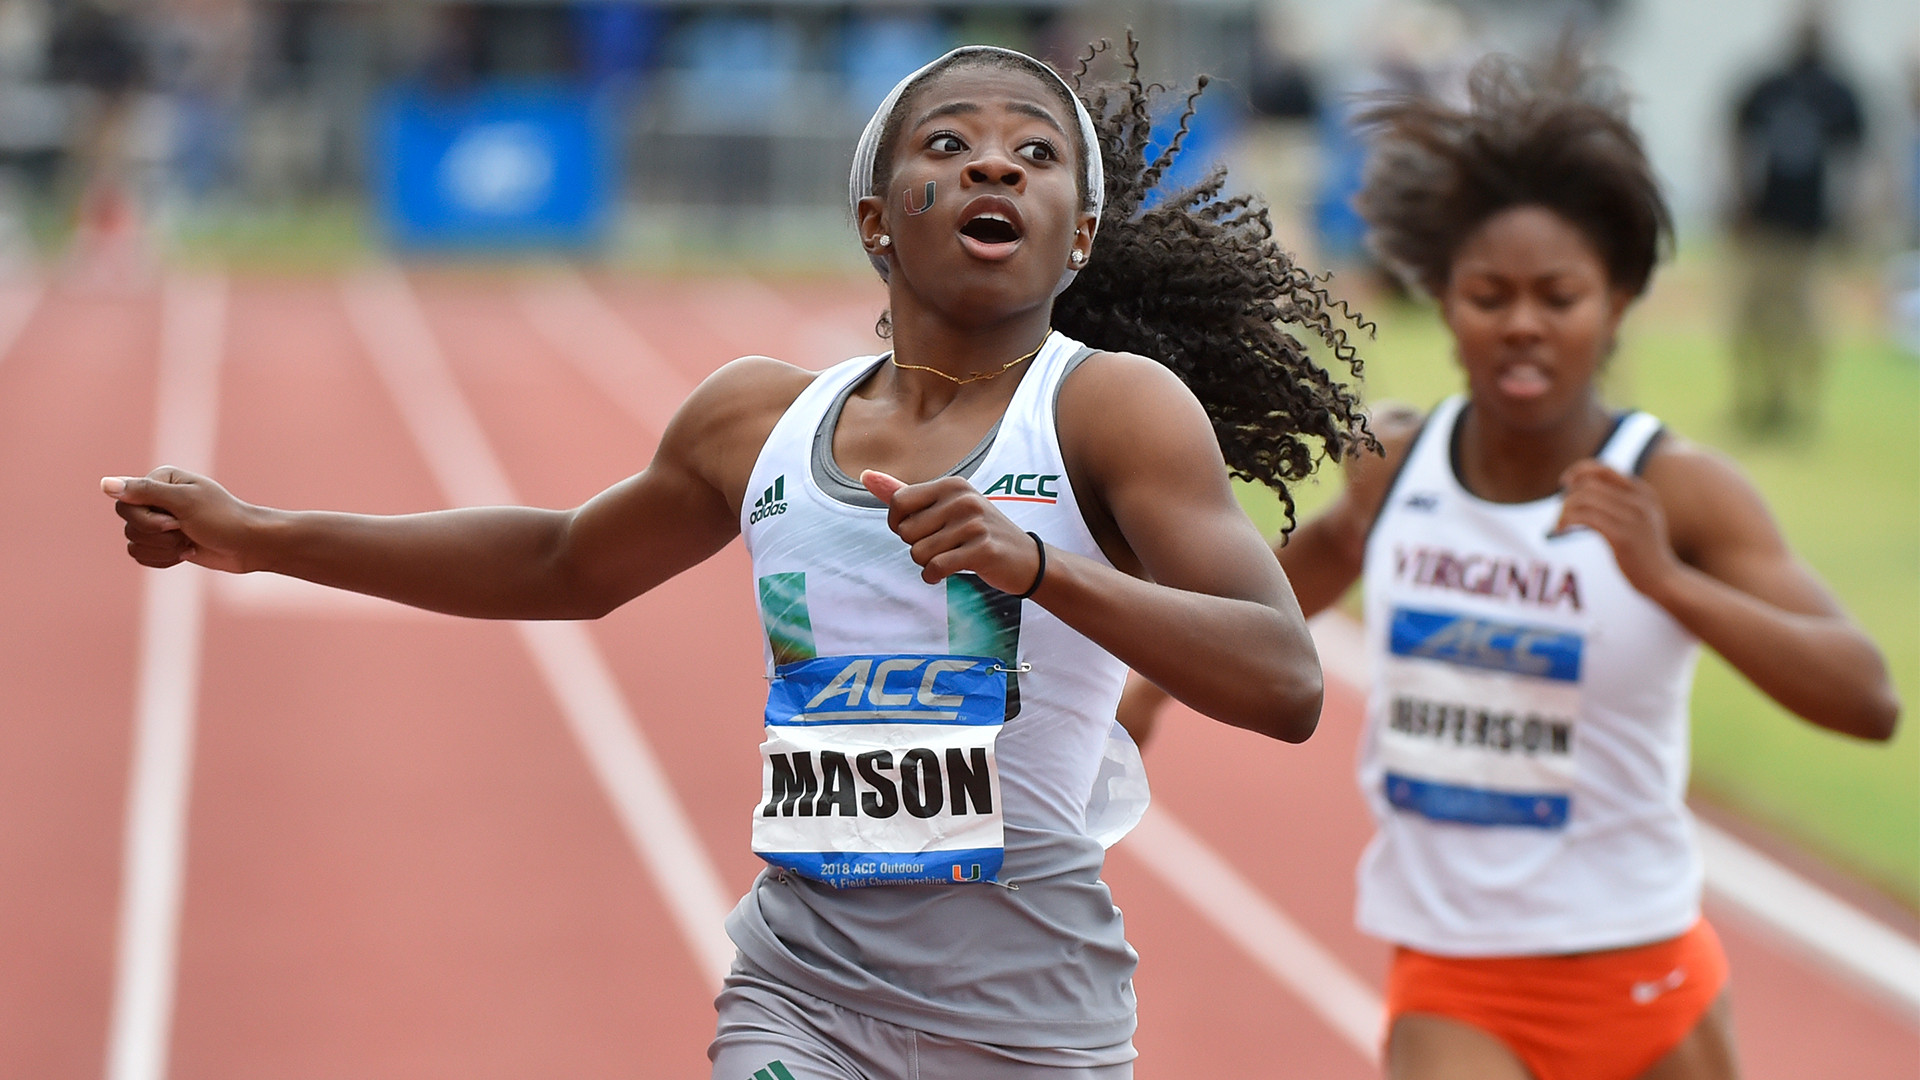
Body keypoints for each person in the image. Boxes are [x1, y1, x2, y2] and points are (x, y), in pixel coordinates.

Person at [105, 40, 1372, 1080]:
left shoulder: (1111, 410)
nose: (995, 161)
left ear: (1078, 234)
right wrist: (259, 535)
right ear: (878, 218)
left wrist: (1044, 569)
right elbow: (560, 559)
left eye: (1036, 153)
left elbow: (1284, 682)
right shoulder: (758, 419)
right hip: (801, 998)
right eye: (950, 144)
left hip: (1031, 1023)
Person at [1117, 49, 1900, 1080]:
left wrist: (1669, 580)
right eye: (1489, 294)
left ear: (1617, 302)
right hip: (1458, 973)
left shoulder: (1676, 490)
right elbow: (1267, 604)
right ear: (1443, 298)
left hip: (1645, 965)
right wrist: (1143, 699)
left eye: (1558, 295)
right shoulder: (1396, 469)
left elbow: (1868, 698)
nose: (1522, 323)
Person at [1728, 13, 1865, 435]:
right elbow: (1737, 138)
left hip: (1810, 227)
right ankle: (1758, 399)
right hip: (1768, 220)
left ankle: (1797, 405)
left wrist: (1851, 211)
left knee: (1805, 321)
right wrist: (1738, 196)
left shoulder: (1838, 92)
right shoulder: (1769, 86)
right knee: (1754, 317)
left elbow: (1856, 156)